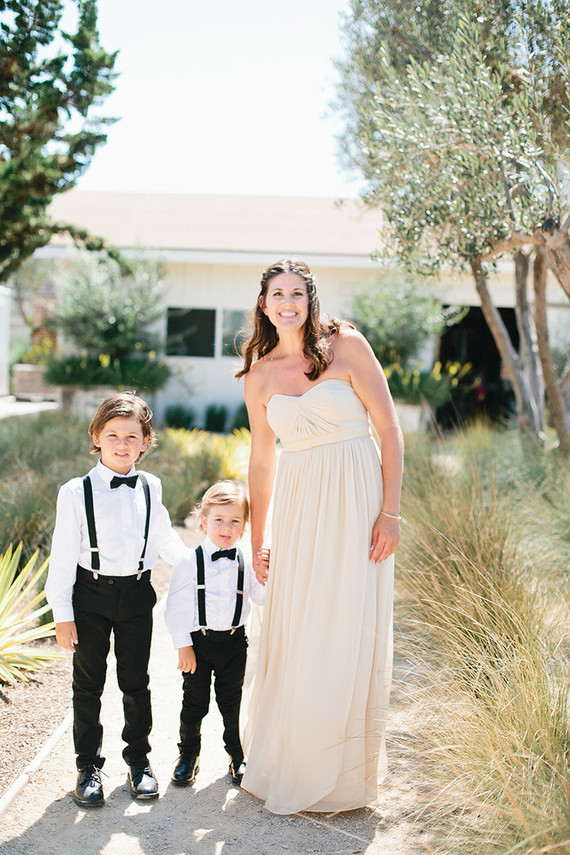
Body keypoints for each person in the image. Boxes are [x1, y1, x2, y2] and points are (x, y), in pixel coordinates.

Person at [235, 259, 404, 815]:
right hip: (299, 507)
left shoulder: (347, 346)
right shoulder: (259, 375)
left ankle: (344, 777)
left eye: (296, 293)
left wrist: (390, 513)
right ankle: (295, 760)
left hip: (357, 501)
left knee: (346, 619)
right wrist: (261, 539)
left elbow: (389, 429)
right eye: (277, 294)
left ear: (309, 300)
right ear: (264, 305)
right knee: (300, 622)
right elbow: (262, 463)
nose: (287, 303)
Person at [45, 392, 187, 808]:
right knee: (88, 684)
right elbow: (62, 557)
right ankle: (88, 766)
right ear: (96, 437)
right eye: (112, 435)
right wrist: (62, 614)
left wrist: (202, 565)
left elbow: (165, 539)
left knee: (135, 681)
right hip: (90, 595)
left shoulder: (151, 487)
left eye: (131, 436)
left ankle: (138, 761)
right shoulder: (75, 492)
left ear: (145, 442)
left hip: (138, 594)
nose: (122, 444)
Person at [164, 481, 267, 788]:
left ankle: (237, 755)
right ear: (203, 520)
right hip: (199, 644)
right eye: (219, 519)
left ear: (244, 526)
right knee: (194, 703)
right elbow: (176, 607)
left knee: (231, 702)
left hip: (234, 643)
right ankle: (188, 755)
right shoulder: (189, 561)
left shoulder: (246, 561)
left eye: (235, 521)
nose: (226, 527)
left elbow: (261, 597)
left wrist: (267, 571)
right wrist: (183, 645)